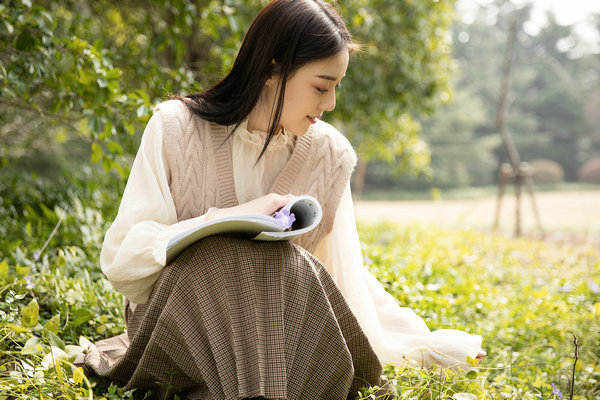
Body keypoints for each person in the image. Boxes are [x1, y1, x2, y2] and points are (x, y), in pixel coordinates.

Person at [78, 0, 485, 398]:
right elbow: (124, 263)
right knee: (225, 260)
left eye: (335, 88)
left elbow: (342, 275)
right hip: (186, 326)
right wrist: (223, 218)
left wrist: (425, 344)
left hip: (281, 335)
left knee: (285, 266)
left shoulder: (330, 154)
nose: (330, 104)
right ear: (273, 67)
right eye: (321, 86)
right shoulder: (175, 128)